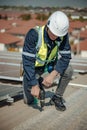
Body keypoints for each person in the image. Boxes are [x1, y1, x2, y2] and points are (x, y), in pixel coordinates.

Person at [22, 11, 73, 111]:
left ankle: (57, 97)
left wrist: (53, 74)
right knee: (29, 101)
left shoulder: (62, 36)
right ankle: (37, 81)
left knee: (69, 70)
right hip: (34, 68)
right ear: (48, 25)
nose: (55, 37)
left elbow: (66, 57)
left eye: (58, 35)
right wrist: (34, 84)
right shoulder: (34, 34)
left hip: (49, 66)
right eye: (53, 33)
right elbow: (27, 62)